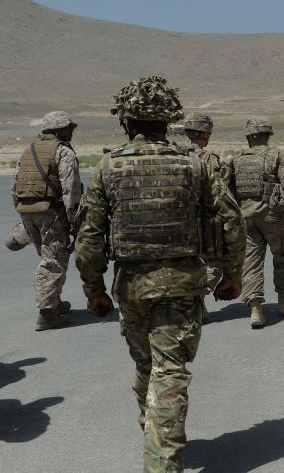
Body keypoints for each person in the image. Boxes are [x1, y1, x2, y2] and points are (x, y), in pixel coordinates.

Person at [75, 75, 246, 471]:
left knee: (146, 367)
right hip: (182, 286)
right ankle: (162, 459)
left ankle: (154, 431)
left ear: (127, 122)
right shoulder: (194, 165)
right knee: (169, 372)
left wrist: (94, 289)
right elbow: (231, 220)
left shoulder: (106, 167)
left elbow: (88, 237)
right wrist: (232, 275)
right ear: (168, 122)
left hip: (131, 287)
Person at [228, 116, 284, 327]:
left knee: (251, 262)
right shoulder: (277, 155)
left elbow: (229, 191)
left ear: (249, 137)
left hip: (246, 217)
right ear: (266, 135)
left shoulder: (236, 159)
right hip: (272, 216)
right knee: (283, 255)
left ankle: (256, 310)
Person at [11, 110, 81, 331]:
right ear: (61, 130)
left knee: (47, 256)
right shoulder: (63, 152)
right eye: (69, 128)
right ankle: (47, 312)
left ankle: (55, 301)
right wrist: (73, 220)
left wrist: (23, 215)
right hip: (49, 212)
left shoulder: (29, 150)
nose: (71, 132)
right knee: (54, 261)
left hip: (26, 210)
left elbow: (16, 186)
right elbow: (71, 189)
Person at [184, 112, 230, 298]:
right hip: (205, 220)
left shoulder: (177, 154)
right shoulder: (209, 158)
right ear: (204, 133)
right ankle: (196, 298)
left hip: (180, 220)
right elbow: (218, 190)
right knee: (214, 265)